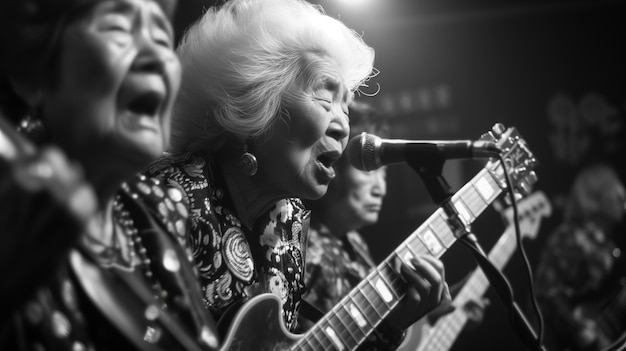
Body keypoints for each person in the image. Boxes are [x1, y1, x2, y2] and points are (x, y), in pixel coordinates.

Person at [125, 0, 451, 348]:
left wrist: (391, 326)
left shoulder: (289, 221)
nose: (344, 126)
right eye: (326, 101)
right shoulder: (168, 197)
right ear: (256, 103)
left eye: (346, 107)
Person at [0, 0, 219, 350]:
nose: (158, 57)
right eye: (118, 28)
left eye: (163, 38)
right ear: (34, 74)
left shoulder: (162, 206)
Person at [298, 101, 487, 350]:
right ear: (334, 166)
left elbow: (370, 330)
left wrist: (427, 314)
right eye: (369, 172)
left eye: (384, 174)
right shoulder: (297, 246)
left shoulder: (354, 243)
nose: (381, 189)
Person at [534, 163, 626, 351]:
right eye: (616, 191)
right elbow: (546, 293)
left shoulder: (609, 247)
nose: (622, 197)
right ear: (596, 196)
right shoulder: (570, 236)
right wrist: (582, 334)